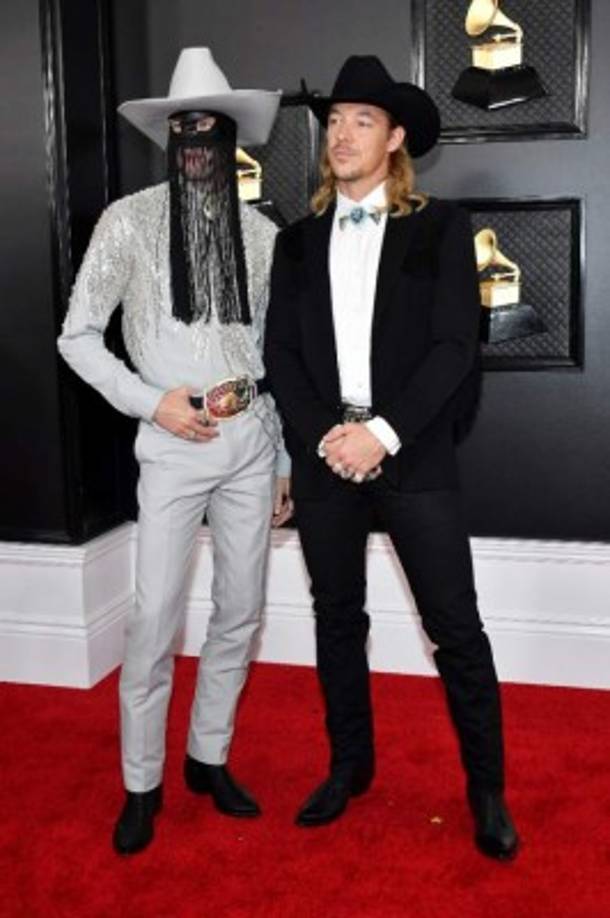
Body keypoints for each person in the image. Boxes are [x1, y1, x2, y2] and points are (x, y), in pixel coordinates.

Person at [265, 55, 519, 860]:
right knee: (337, 620)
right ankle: (349, 767)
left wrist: (383, 433)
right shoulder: (296, 242)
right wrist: (326, 440)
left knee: (456, 628)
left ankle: (487, 790)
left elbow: (455, 349)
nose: (342, 134)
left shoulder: (444, 227)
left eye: (362, 121)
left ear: (396, 136)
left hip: (412, 455)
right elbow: (281, 357)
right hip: (325, 457)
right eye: (335, 120)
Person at [58, 47, 293, 855]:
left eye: (213, 126)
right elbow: (77, 337)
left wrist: (286, 459)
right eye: (184, 125)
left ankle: (208, 757)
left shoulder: (263, 234)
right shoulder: (126, 221)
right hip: (169, 442)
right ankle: (141, 780)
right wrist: (149, 401)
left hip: (251, 442)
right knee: (154, 616)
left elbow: (275, 357)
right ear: (168, 135)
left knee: (242, 611)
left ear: (233, 138)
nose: (198, 137)